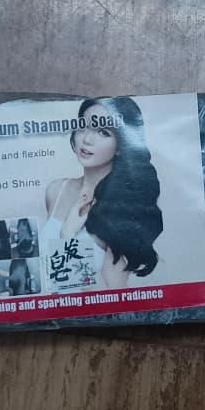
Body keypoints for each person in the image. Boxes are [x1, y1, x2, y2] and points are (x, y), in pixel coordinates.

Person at [43, 97, 163, 289]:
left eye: (103, 132)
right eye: (84, 126)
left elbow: (102, 296)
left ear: (121, 146)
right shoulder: (56, 190)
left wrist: (68, 235)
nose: (87, 139)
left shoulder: (122, 211)